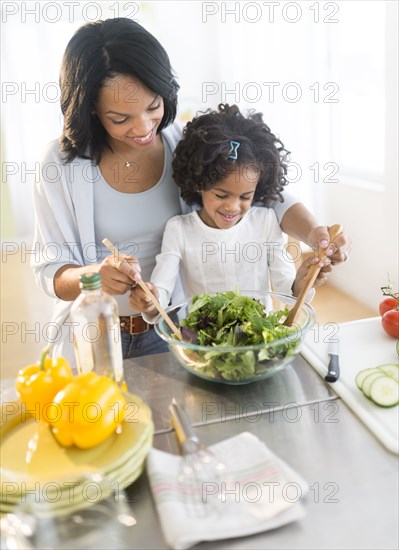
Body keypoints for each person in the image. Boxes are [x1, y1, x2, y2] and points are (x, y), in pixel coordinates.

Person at [32, 18, 350, 365]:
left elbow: (267, 196)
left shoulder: (187, 146)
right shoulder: (60, 165)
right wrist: (95, 276)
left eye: (153, 107)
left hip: (172, 329)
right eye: (121, 118)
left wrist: (316, 235)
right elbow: (51, 272)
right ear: (90, 107)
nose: (143, 128)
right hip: (95, 334)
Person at [130, 103, 332, 319]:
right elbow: (161, 292)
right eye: (221, 195)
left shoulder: (265, 221)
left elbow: (287, 291)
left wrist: (304, 280)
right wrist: (150, 300)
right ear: (198, 184)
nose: (233, 207)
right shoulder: (179, 229)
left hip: (258, 337)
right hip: (204, 341)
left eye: (245, 197)